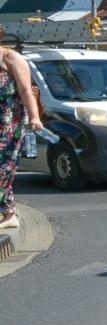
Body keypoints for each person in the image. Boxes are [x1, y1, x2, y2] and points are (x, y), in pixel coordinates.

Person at [0, 42, 46, 230]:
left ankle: (9, 213)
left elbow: (26, 90)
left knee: (4, 167)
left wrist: (34, 117)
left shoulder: (11, 58)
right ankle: (9, 214)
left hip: (9, 122)